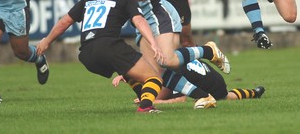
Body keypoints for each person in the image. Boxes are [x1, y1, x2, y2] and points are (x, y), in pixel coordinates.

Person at [90, 0, 230, 109]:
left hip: (158, 14)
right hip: (140, 20)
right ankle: (203, 97)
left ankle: (208, 51)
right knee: (155, 72)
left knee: (167, 60)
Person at [37, 0, 165, 113]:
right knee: (154, 77)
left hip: (86, 53)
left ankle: (144, 99)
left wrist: (47, 41)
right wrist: (153, 43)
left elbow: (66, 21)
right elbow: (139, 20)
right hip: (108, 46)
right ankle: (145, 107)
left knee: (127, 71)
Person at [113, 59, 265, 103]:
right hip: (214, 79)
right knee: (225, 97)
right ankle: (254, 93)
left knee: (222, 97)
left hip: (208, 82)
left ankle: (254, 93)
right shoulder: (169, 59)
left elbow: (182, 98)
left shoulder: (170, 74)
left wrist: (156, 101)